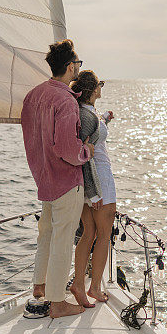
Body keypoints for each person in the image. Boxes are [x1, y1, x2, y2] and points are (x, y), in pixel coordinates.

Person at [20, 39, 96, 318]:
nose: (78, 68)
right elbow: (67, 149)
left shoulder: (33, 95)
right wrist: (85, 151)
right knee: (63, 239)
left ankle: (40, 287)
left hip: (44, 179)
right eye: (77, 64)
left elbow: (32, 138)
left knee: (46, 235)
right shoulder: (65, 100)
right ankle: (57, 303)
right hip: (65, 180)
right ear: (69, 66)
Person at [70, 70, 117, 303]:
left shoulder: (85, 113)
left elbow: (92, 136)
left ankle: (79, 284)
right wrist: (95, 193)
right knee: (104, 235)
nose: (101, 88)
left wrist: (105, 119)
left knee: (88, 233)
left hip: (89, 183)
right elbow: (88, 156)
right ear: (92, 90)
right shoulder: (87, 117)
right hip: (100, 181)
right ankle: (94, 288)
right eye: (99, 84)